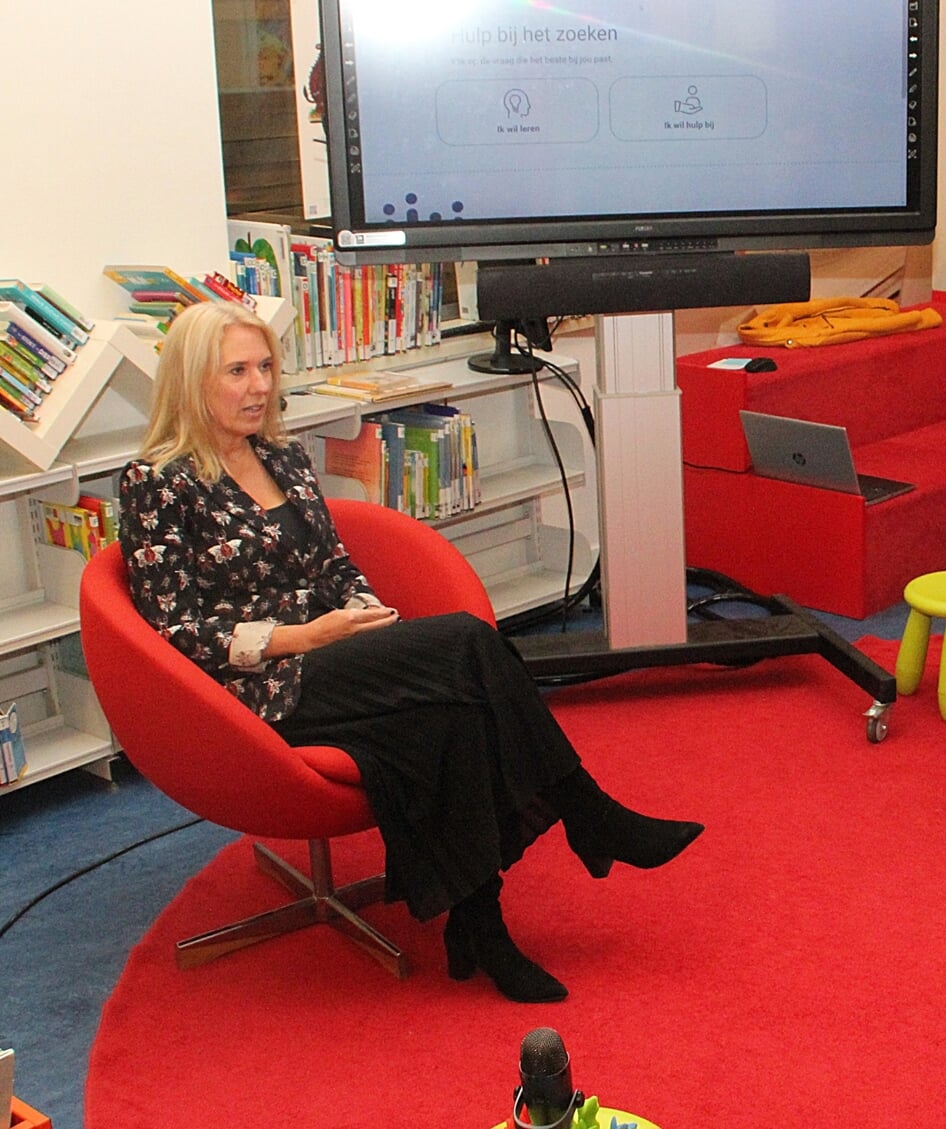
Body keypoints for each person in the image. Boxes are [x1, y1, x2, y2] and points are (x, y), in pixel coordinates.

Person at [118, 301, 703, 1004]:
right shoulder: (157, 481)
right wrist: (306, 637)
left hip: (335, 653)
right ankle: (586, 810)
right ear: (190, 381)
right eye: (236, 371)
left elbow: (334, 563)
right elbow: (173, 626)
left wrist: (366, 615)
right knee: (466, 641)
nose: (259, 386)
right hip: (259, 688)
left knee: (450, 713)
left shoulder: (281, 453)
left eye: (266, 367)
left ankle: (480, 927)